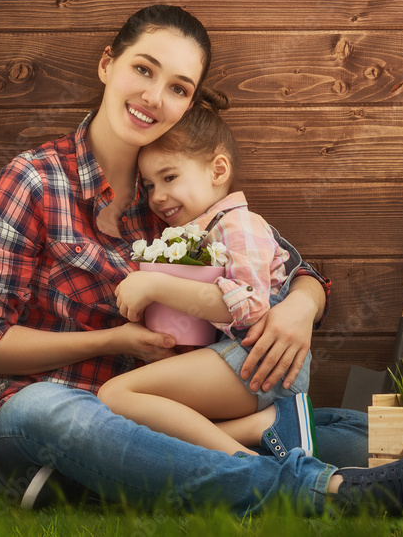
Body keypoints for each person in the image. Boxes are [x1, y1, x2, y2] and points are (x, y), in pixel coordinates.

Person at [0, 4, 403, 515]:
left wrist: (300, 309)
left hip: (169, 419)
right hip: (42, 419)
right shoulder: (36, 180)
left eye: (178, 87)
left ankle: (119, 484)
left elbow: (297, 270)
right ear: (108, 64)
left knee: (357, 434)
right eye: (143, 69)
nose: (154, 97)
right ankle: (310, 491)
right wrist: (115, 340)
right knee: (51, 412)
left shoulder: (181, 197)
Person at [98, 89, 317, 458]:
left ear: (218, 169)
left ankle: (254, 467)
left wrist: (154, 284)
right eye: (150, 185)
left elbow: (249, 307)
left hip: (262, 362)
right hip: (239, 358)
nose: (157, 197)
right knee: (160, 416)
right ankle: (262, 431)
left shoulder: (238, 224)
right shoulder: (201, 231)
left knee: (117, 395)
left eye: (169, 178)